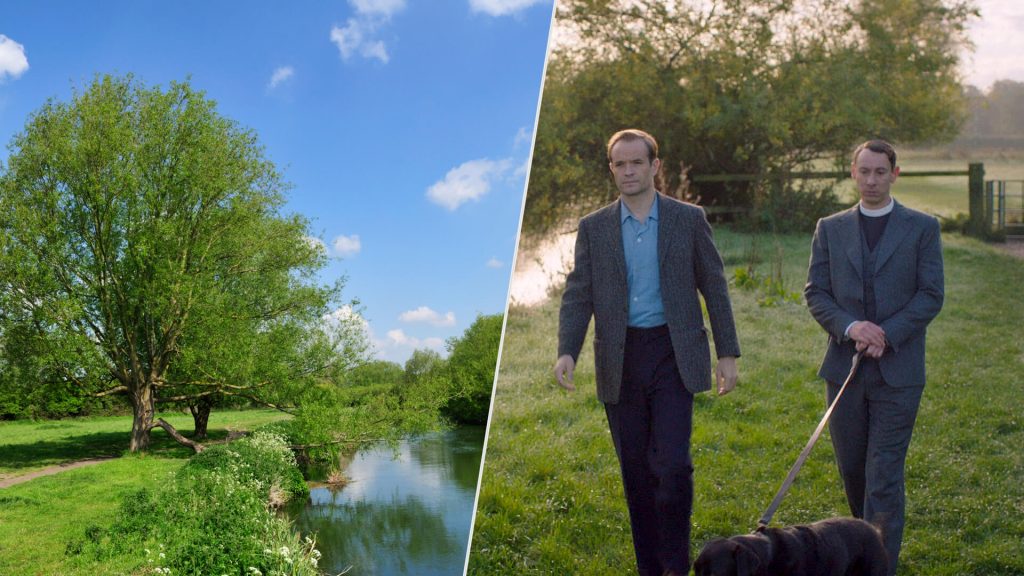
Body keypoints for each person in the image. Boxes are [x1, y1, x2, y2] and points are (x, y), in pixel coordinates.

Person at [553, 129, 740, 576]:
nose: (629, 171)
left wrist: (727, 352)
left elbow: (713, 283)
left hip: (675, 353)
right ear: (612, 169)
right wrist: (567, 350)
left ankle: (676, 564)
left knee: (673, 467)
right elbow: (579, 294)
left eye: (638, 162)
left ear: (655, 166)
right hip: (620, 358)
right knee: (637, 474)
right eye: (620, 164)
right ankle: (650, 568)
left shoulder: (687, 219)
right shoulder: (594, 228)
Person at [804, 139, 944, 575]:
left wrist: (887, 333)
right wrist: (851, 327)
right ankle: (865, 550)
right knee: (855, 474)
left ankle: (880, 567)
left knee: (883, 478)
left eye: (880, 172)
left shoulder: (922, 227)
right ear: (852, 172)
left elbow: (930, 294)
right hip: (843, 372)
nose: (871, 180)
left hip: (899, 375)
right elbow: (816, 292)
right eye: (863, 171)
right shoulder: (830, 227)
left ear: (894, 174)